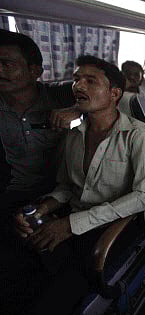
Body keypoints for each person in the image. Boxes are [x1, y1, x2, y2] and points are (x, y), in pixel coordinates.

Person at [3, 55, 145, 315]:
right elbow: (66, 187)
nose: (78, 85)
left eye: (90, 80)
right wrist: (43, 209)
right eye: (76, 79)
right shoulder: (74, 135)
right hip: (71, 219)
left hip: (112, 228)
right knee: (18, 269)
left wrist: (71, 225)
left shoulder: (137, 135)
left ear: (114, 94)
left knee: (48, 306)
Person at [0, 29, 79, 232]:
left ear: (35, 71)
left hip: (59, 192)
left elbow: (112, 87)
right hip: (14, 193)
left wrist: (77, 110)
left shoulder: (61, 95)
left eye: (7, 64)